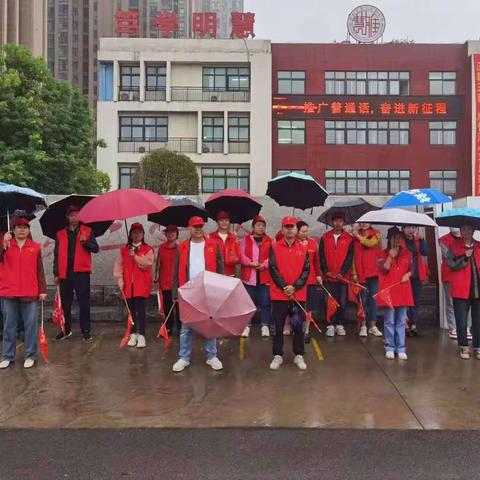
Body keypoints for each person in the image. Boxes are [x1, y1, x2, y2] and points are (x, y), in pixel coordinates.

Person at [172, 216, 224, 372]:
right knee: (186, 327)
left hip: (208, 290)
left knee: (209, 325)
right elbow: (176, 271)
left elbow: (220, 268)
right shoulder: (182, 247)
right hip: (188, 292)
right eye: (195, 226)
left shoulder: (213, 245)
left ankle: (212, 356)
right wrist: (176, 292)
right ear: (189, 228)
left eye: (200, 226)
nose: (198, 229)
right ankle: (184, 357)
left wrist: (220, 288)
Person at [0, 218, 47, 369]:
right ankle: (8, 355)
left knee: (30, 325)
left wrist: (43, 290)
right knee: (9, 325)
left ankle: (30, 355)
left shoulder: (35, 247)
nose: (22, 229)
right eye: (19, 227)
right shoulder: (6, 246)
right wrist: (3, 244)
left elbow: (40, 270)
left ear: (29, 230)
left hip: (30, 291)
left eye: (25, 227)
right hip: (9, 290)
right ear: (12, 230)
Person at [269, 216, 310, 371]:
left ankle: (299, 355)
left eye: (292, 227)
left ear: (296, 229)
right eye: (286, 227)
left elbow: (306, 271)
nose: (289, 229)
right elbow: (273, 269)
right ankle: (277, 355)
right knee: (278, 326)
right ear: (282, 229)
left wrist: (295, 287)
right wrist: (286, 287)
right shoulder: (274, 246)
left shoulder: (303, 248)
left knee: (297, 326)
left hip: (297, 295)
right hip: (279, 295)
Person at [53, 205, 99, 342]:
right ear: (67, 217)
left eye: (77, 215)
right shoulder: (60, 234)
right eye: (72, 215)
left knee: (84, 302)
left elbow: (96, 249)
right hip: (65, 272)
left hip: (81, 273)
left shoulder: (87, 230)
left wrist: (86, 243)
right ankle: (66, 330)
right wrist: (56, 273)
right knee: (65, 303)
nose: (74, 218)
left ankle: (86, 330)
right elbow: (56, 254)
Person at [114, 223, 154, 348]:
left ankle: (141, 335)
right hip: (128, 286)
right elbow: (118, 266)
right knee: (131, 311)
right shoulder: (124, 250)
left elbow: (147, 263)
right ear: (130, 234)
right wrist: (120, 281)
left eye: (139, 232)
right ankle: (133, 334)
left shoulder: (148, 249)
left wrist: (135, 256)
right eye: (134, 232)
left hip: (141, 285)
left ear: (143, 235)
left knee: (141, 311)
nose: (137, 235)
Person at [377, 227, 413, 360]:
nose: (397, 241)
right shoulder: (382, 253)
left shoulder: (407, 253)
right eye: (394, 238)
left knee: (401, 321)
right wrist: (390, 256)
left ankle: (401, 347)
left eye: (399, 238)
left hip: (403, 291)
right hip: (389, 292)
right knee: (389, 321)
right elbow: (383, 270)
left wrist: (408, 275)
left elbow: (411, 269)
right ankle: (390, 347)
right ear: (389, 239)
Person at [446, 224, 480, 360]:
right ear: (460, 231)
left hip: (477, 289)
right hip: (461, 289)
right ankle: (463, 347)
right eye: (463, 229)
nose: (466, 231)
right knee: (461, 321)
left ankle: (478, 347)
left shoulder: (478, 245)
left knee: (478, 320)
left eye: (469, 229)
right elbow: (451, 265)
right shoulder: (454, 246)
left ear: (473, 231)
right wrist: (464, 257)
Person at [319, 212, 354, 337]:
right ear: (331, 222)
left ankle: (339, 324)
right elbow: (321, 255)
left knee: (342, 302)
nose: (337, 223)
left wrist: (342, 273)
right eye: (335, 221)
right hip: (328, 277)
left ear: (343, 222)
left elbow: (349, 258)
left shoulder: (349, 239)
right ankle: (330, 324)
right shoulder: (325, 237)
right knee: (328, 302)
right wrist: (325, 270)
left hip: (342, 278)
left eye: (340, 221)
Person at [240, 215, 272, 338]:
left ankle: (265, 325)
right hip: (249, 277)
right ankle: (247, 325)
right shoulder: (245, 240)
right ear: (253, 227)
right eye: (258, 225)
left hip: (264, 276)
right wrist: (250, 263)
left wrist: (264, 265)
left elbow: (273, 257)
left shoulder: (269, 240)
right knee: (248, 303)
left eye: (263, 226)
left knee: (265, 302)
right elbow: (241, 255)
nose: (261, 227)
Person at [352, 222, 383, 337]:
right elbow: (353, 255)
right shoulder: (354, 237)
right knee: (362, 300)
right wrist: (354, 272)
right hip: (360, 273)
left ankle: (373, 325)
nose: (364, 224)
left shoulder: (376, 234)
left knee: (373, 300)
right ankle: (363, 325)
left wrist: (357, 235)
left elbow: (370, 243)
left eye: (367, 221)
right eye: (362, 222)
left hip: (374, 272)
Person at [297, 221, 322, 342]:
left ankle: (306, 330)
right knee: (297, 307)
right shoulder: (293, 243)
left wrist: (318, 275)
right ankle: (297, 329)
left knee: (309, 307)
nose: (305, 233)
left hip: (311, 280)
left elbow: (316, 261)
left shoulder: (312, 243)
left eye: (307, 231)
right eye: (302, 231)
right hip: (297, 281)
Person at [402, 225, 428, 336]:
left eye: (414, 228)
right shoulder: (400, 240)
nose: (411, 230)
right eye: (408, 227)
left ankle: (413, 324)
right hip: (404, 275)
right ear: (403, 229)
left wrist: (422, 240)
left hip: (416, 274)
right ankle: (405, 324)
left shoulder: (417, 240)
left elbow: (425, 252)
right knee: (405, 301)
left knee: (415, 301)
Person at [155, 224, 181, 335]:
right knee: (167, 306)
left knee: (180, 308)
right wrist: (156, 277)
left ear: (177, 234)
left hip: (178, 282)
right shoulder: (162, 247)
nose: (170, 234)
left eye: (173, 232)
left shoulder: (181, 247)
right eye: (168, 232)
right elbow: (158, 263)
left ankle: (181, 328)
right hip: (165, 281)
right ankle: (168, 328)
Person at [209, 211, 241, 277]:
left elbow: (238, 258)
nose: (224, 222)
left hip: (231, 274)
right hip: (216, 274)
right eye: (221, 220)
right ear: (217, 222)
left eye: (226, 220)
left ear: (229, 222)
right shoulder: (210, 237)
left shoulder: (234, 238)